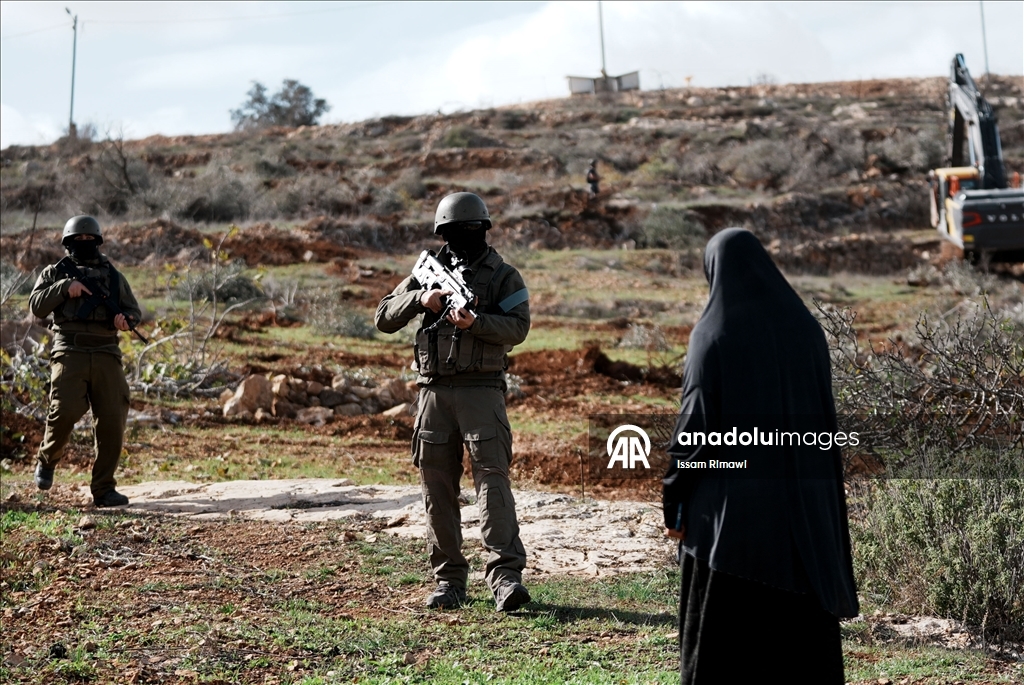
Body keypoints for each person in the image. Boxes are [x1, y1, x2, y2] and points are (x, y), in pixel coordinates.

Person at [663, 228, 859, 683]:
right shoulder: (807, 331)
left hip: (729, 528)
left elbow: (694, 432)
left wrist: (674, 498)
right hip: (803, 521)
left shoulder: (711, 336)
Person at [375, 192, 532, 611]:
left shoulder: (503, 276)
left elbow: (518, 328)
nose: (463, 237)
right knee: (436, 488)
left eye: (470, 230)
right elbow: (383, 316)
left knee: (492, 483)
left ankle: (504, 577)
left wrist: (477, 322)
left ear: (483, 230)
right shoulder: (428, 271)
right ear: (442, 234)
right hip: (434, 392)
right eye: (454, 232)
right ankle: (449, 581)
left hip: (482, 391)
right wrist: (420, 299)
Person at [29, 215, 142, 507]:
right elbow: (37, 306)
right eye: (77, 240)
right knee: (64, 410)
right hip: (69, 350)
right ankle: (47, 459)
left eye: (88, 239)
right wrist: (64, 288)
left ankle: (104, 489)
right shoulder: (54, 273)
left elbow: (133, 312)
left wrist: (124, 321)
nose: (84, 243)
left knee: (113, 419)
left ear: (98, 241)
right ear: (67, 244)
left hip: (106, 351)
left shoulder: (114, 277)